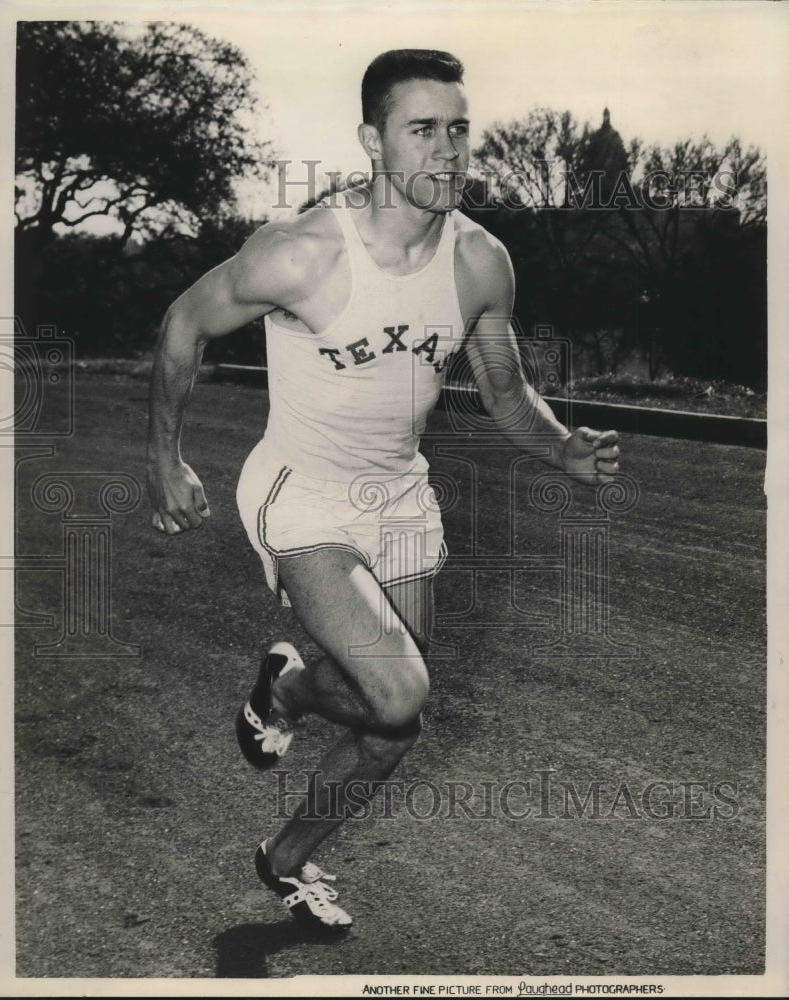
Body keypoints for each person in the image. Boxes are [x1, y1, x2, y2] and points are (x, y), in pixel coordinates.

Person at [146, 48, 621, 933]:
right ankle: (286, 691)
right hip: (303, 490)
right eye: (423, 130)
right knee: (402, 690)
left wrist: (565, 455)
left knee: (390, 722)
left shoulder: (481, 262)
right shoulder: (303, 254)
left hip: (401, 499)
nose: (449, 151)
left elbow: (506, 393)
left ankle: (286, 858)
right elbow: (184, 322)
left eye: (459, 130)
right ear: (372, 139)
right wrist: (163, 459)